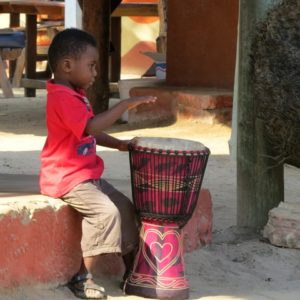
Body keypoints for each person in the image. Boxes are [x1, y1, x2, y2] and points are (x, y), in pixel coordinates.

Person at [39, 28, 156, 299]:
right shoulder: (61, 97)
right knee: (106, 212)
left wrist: (118, 144)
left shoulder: (74, 94)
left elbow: (85, 131)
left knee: (125, 208)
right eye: (91, 66)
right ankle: (83, 277)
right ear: (67, 66)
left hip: (86, 176)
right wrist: (124, 105)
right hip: (67, 178)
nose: (94, 73)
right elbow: (91, 127)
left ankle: (133, 271)